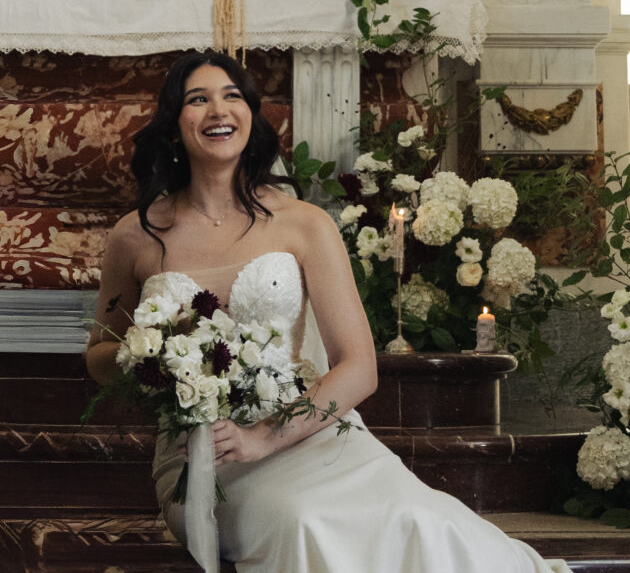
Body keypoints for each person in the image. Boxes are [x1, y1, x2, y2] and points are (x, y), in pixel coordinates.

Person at [86, 50, 569, 573]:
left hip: (310, 434)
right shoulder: (135, 236)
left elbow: (359, 366)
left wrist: (264, 436)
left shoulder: (305, 224)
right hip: (205, 454)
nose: (217, 111)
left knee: (422, 518)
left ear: (251, 114)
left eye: (232, 97)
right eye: (197, 99)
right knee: (301, 521)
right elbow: (99, 352)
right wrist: (155, 359)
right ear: (173, 123)